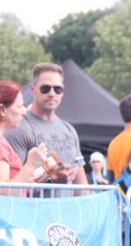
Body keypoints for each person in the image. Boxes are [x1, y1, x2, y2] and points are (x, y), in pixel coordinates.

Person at [5, 63, 88, 195]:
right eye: (45, 88)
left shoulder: (69, 130)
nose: (51, 93)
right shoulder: (19, 128)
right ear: (32, 89)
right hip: (34, 212)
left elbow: (81, 184)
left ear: (63, 92)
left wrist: (87, 212)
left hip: (66, 212)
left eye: (57, 89)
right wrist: (52, 178)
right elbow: (11, 186)